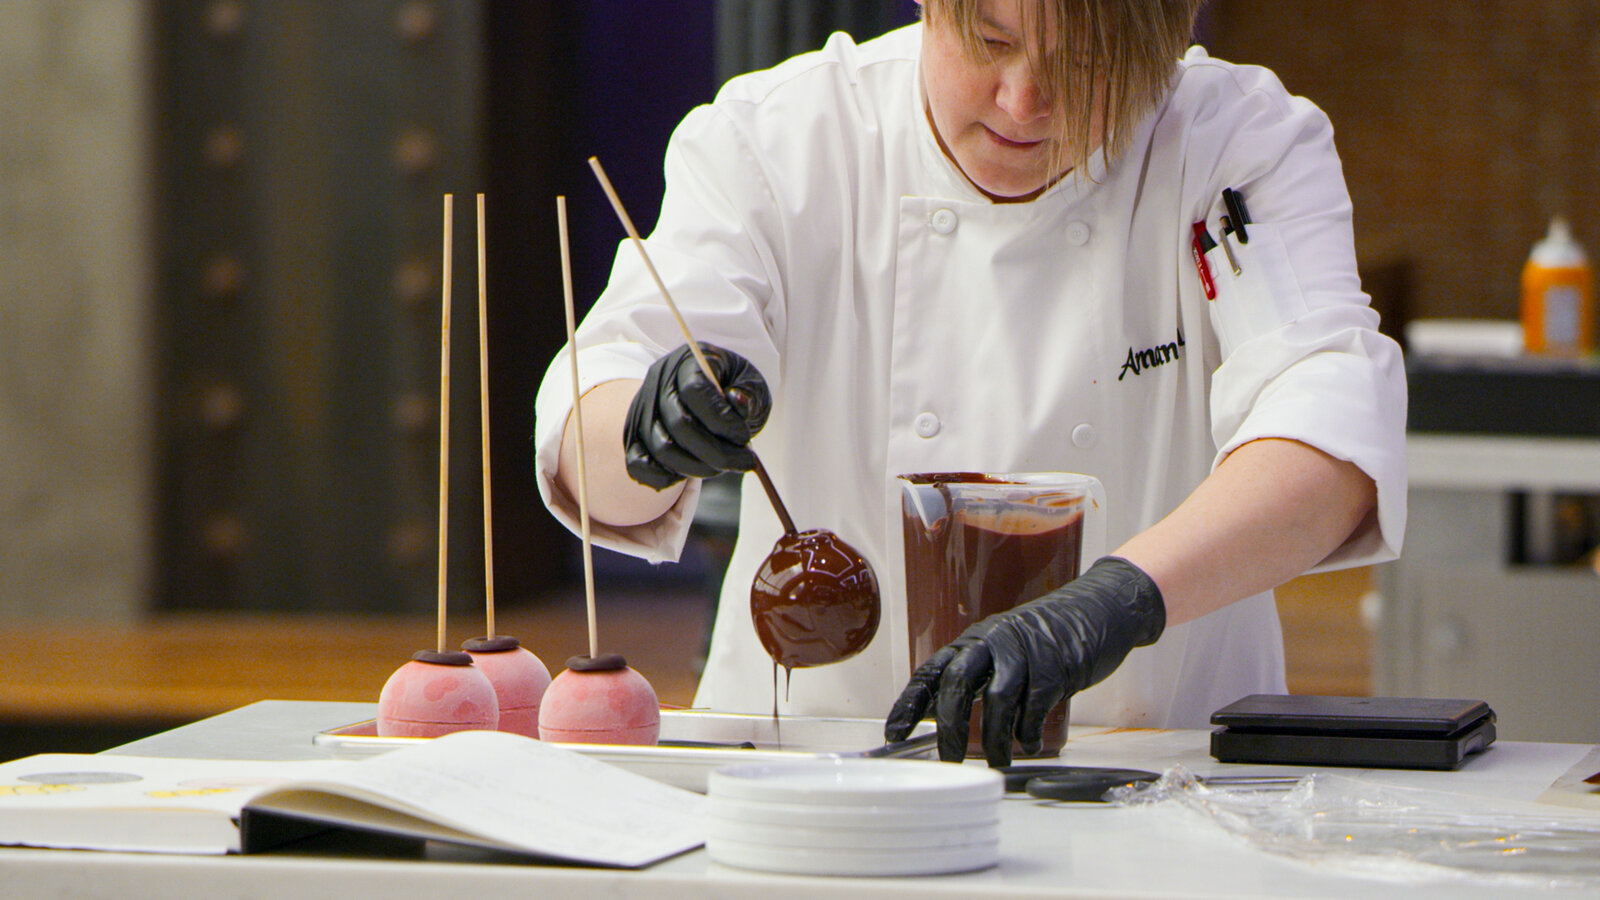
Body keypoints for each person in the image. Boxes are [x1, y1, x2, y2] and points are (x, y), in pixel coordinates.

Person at [533, 0, 1405, 764]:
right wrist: (648, 428)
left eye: (1086, 63)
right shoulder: (783, 141)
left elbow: (1326, 436)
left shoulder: (1237, 146)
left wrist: (1121, 599)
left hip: (1167, 778)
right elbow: (595, 413)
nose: (1023, 101)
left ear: (1171, 38)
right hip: (814, 776)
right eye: (988, 42)